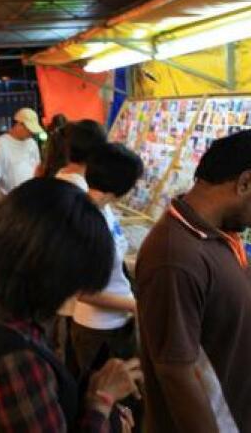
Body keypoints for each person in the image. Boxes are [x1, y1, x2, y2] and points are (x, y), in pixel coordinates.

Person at [0, 178, 143, 432]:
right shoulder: (14, 362)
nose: (75, 295)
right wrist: (102, 403)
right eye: (74, 285)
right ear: (48, 276)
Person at [137, 128, 251, 433]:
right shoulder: (176, 257)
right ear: (245, 182)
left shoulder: (222, 235)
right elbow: (175, 371)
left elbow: (246, 314)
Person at [72, 143, 144, 373]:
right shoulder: (86, 220)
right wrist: (135, 306)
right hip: (97, 328)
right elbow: (83, 291)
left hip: (117, 321)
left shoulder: (104, 208)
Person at [53, 119, 108, 371]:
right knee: (77, 356)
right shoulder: (79, 188)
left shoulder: (62, 176)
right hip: (77, 288)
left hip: (66, 280)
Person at [0, 108, 44, 194]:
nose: (31, 133)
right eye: (29, 129)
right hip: (10, 197)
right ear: (18, 124)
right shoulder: (0, 144)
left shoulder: (32, 143)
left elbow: (37, 169)